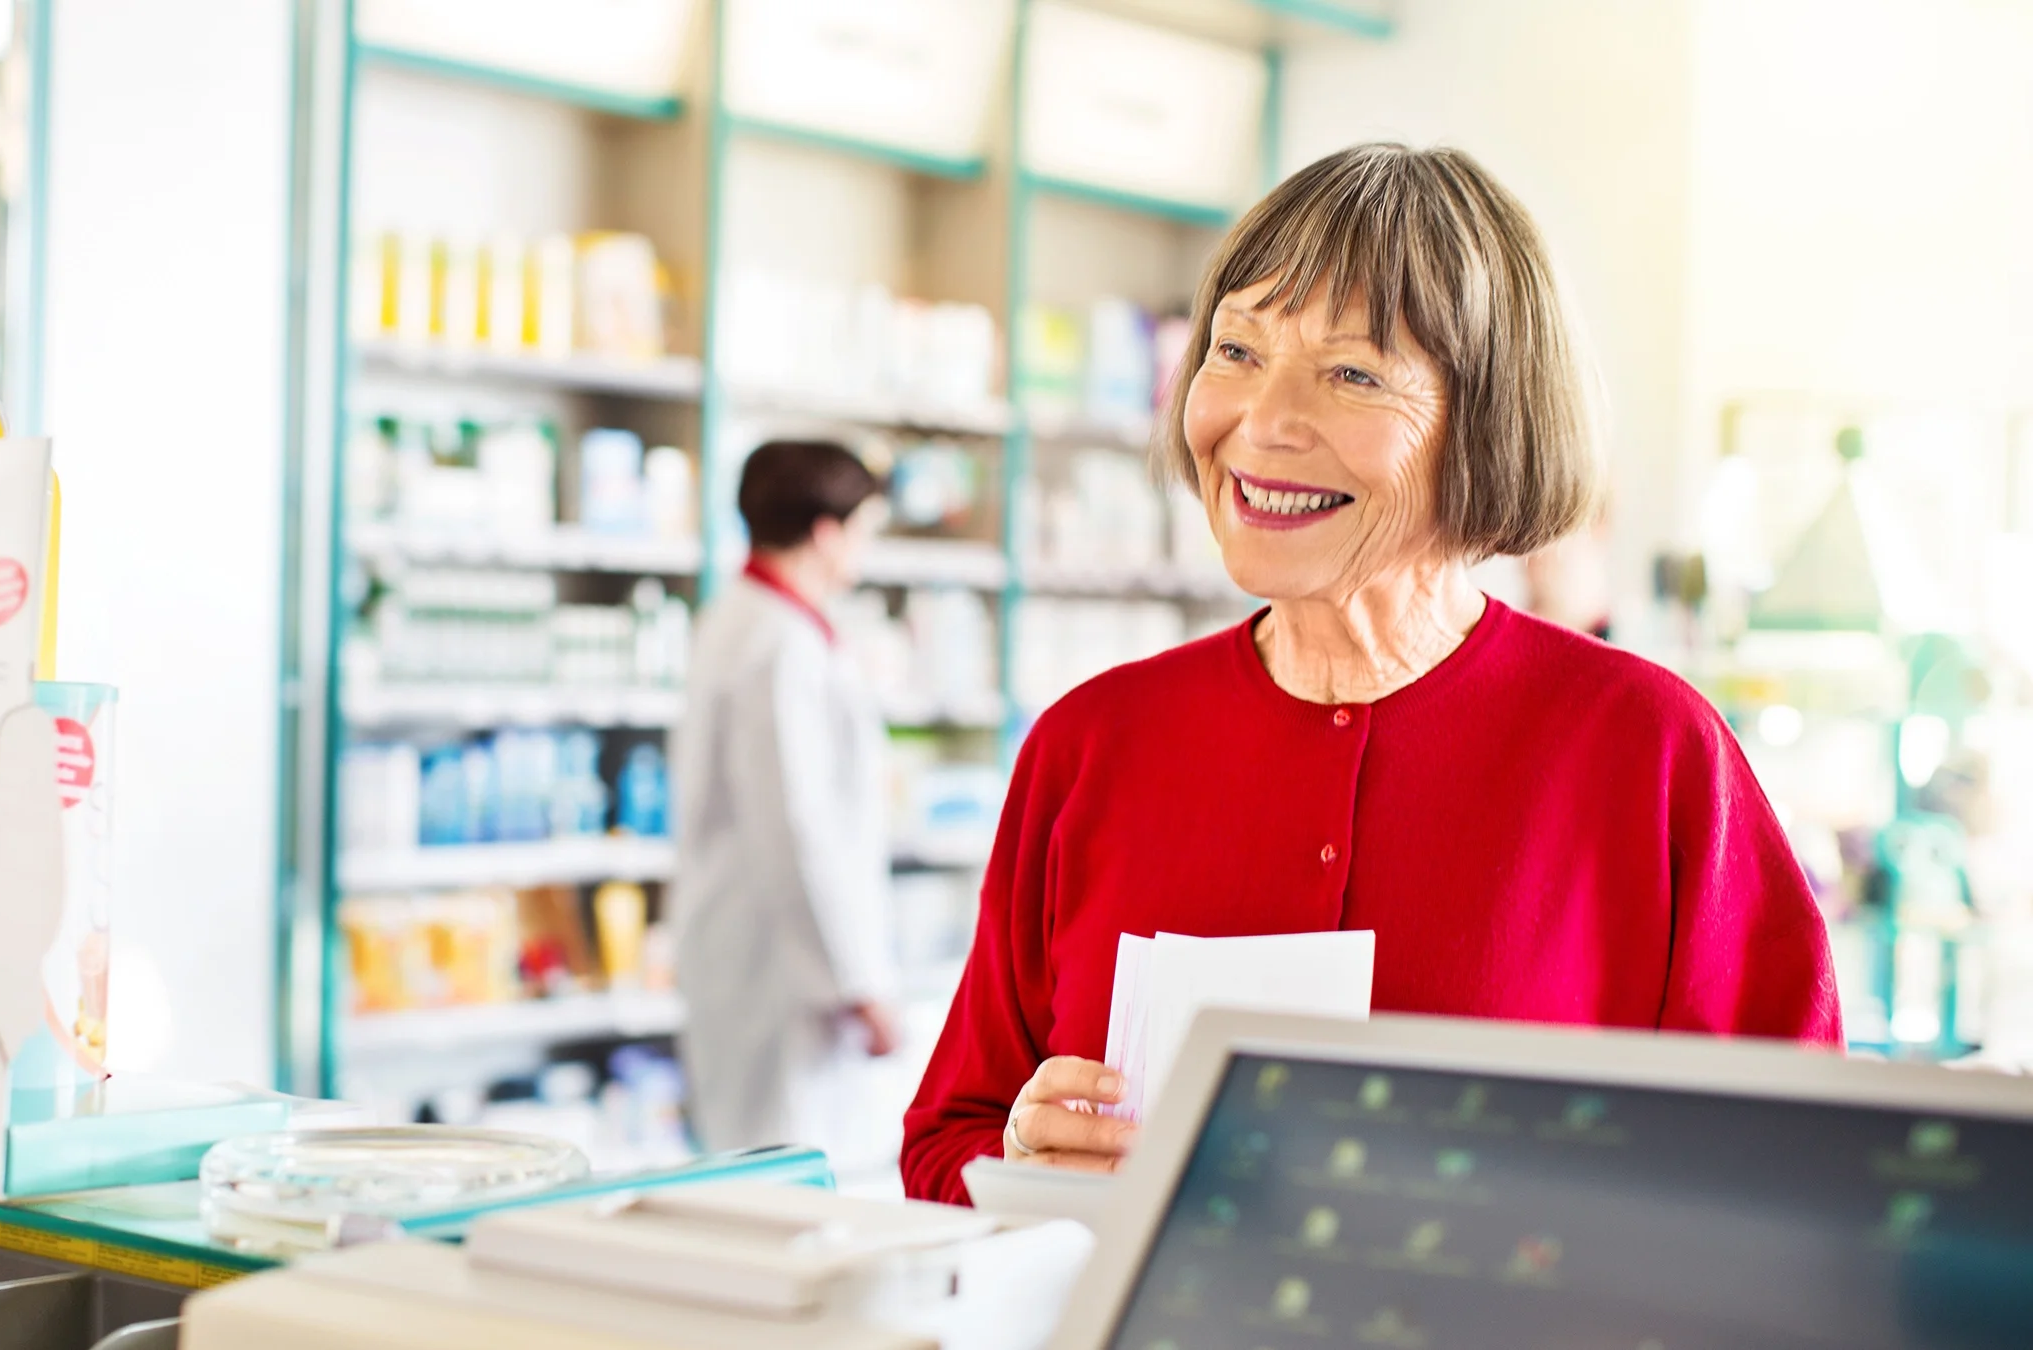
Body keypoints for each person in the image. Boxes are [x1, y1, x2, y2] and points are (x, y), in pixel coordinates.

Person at [901, 144, 1841, 1204]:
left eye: (1352, 373)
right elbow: (947, 1137)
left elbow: (1796, 1179)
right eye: (1236, 351)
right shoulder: (1093, 743)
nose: (1260, 424)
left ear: (1490, 417)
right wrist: (1022, 1166)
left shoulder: (1648, 750)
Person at [673, 439, 905, 1163]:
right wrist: (859, 984)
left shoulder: (746, 620)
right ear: (827, 532)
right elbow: (796, 831)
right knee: (783, 1173)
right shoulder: (780, 645)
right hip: (779, 977)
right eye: (865, 528)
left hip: (757, 958)